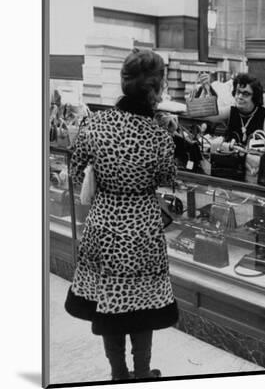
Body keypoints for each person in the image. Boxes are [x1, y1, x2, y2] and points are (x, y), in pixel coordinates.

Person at [64, 48, 179, 381]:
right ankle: (142, 374)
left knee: (109, 301)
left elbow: (75, 171)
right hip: (142, 225)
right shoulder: (158, 135)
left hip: (104, 223)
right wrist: (167, 133)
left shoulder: (95, 123)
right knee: (141, 305)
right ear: (155, 90)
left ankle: (118, 374)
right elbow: (167, 178)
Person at [199, 72, 265, 144]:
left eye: (245, 94)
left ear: (255, 97)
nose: (240, 97)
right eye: (238, 92)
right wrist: (206, 89)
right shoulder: (231, 111)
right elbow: (205, 114)